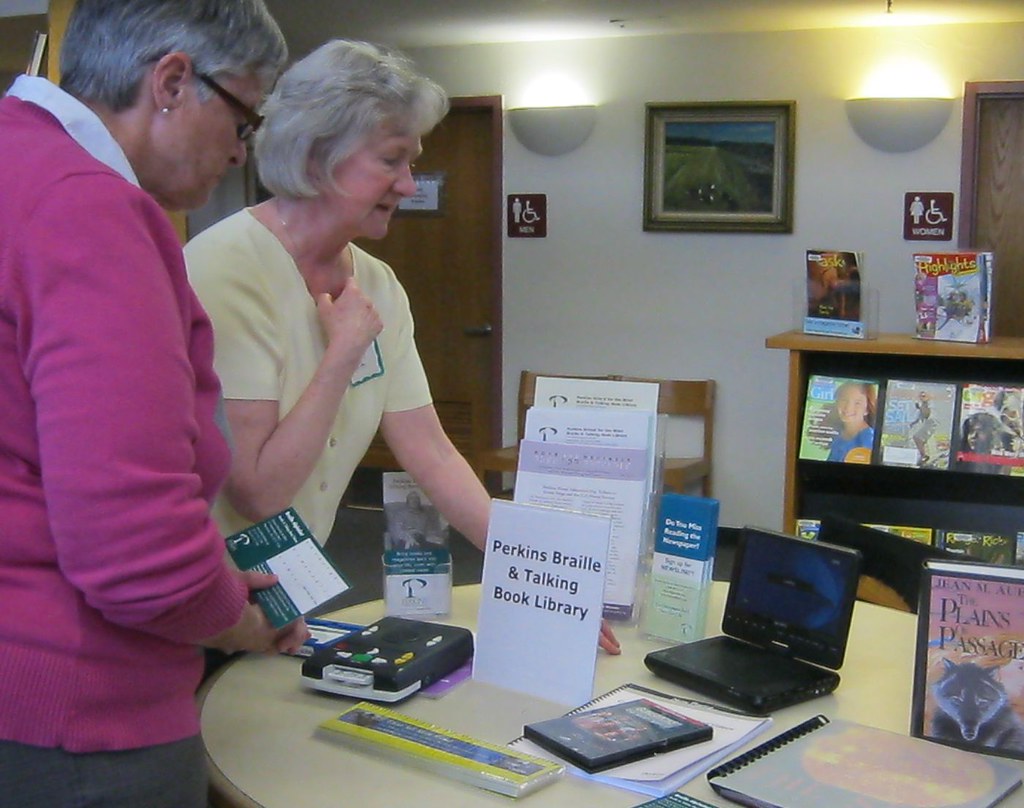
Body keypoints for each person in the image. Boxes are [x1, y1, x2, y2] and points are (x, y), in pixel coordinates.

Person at [185, 40, 620, 654]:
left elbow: (433, 455)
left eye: (411, 161)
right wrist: (342, 355)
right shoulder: (225, 270)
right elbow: (256, 490)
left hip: (281, 592)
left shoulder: (379, 286)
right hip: (199, 600)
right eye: (391, 161)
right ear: (316, 160)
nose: (410, 184)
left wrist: (544, 575)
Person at [0, 2, 308, 806]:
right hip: (73, 721)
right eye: (243, 115)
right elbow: (135, 556)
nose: (243, 148)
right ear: (172, 80)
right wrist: (237, 616)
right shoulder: (89, 209)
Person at [827, 381, 876, 463]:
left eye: (857, 403)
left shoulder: (868, 440)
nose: (848, 407)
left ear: (867, 409)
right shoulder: (839, 434)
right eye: (844, 400)